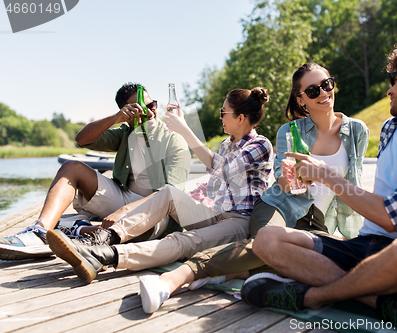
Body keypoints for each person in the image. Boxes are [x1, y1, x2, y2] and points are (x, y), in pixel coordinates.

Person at [241, 35, 397, 331]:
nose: (389, 89)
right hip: (367, 245)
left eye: (394, 78)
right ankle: (380, 300)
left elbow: (391, 218)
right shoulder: (391, 128)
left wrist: (326, 175)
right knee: (267, 239)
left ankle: (311, 296)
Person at [137, 62, 369, 314]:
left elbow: (353, 184)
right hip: (277, 207)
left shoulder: (356, 130)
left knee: (327, 259)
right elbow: (282, 183)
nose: (324, 93)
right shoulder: (290, 131)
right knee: (267, 242)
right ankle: (175, 278)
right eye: (313, 91)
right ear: (302, 100)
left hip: (317, 223)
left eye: (327, 84)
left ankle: (232, 271)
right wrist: (290, 176)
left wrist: (351, 232)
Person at [45, 87, 274, 297]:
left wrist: (184, 130)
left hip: (239, 222)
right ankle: (105, 238)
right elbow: (216, 182)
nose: (220, 116)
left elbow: (220, 167)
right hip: (215, 214)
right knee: (168, 194)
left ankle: (105, 256)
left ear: (241, 118)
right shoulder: (226, 144)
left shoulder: (260, 145)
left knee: (184, 240)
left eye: (224, 112)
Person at [0, 83, 191, 260]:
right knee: (71, 167)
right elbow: (82, 139)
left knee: (140, 231)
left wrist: (124, 211)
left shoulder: (174, 140)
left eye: (151, 105)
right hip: (123, 197)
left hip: (157, 209)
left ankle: (79, 231)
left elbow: (170, 194)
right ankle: (41, 232)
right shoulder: (124, 133)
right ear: (127, 112)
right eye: (139, 109)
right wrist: (115, 119)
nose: (149, 112)